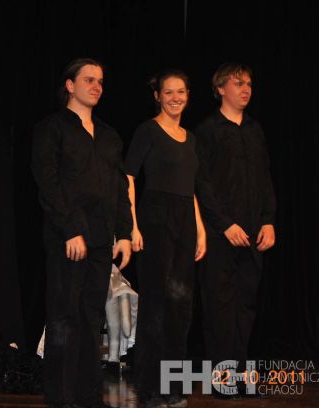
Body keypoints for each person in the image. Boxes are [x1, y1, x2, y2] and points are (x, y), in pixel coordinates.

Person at [31, 58, 132, 408]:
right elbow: (48, 183)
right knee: (64, 317)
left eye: (100, 81)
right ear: (70, 85)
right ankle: (61, 398)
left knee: (92, 318)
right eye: (89, 80)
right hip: (68, 237)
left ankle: (89, 396)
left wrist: (125, 233)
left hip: (102, 238)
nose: (96, 86)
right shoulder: (52, 128)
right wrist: (70, 229)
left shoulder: (109, 135)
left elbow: (119, 187)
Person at [124, 70, 206, 408]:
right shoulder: (148, 131)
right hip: (156, 217)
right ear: (157, 95)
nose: (175, 98)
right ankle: (150, 388)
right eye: (168, 92)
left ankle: (175, 386)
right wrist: (131, 226)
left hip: (185, 218)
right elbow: (129, 176)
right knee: (156, 306)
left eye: (181, 92)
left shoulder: (191, 138)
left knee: (181, 306)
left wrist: (200, 228)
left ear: (188, 95)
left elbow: (191, 188)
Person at [194, 63, 276, 398]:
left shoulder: (255, 129)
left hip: (254, 233)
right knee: (220, 307)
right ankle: (223, 379)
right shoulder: (207, 130)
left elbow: (265, 178)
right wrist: (224, 223)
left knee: (246, 306)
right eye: (238, 83)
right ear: (220, 89)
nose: (246, 89)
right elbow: (202, 184)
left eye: (249, 84)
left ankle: (243, 377)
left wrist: (268, 220)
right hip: (221, 234)